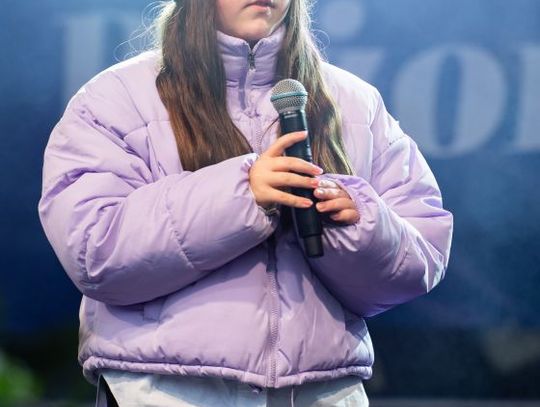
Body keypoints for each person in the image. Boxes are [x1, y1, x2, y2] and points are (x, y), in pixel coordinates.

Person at [38, 0, 453, 406]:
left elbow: (422, 255)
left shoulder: (356, 102)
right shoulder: (116, 96)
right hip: (164, 390)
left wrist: (358, 221)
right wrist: (243, 193)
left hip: (322, 390)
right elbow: (94, 249)